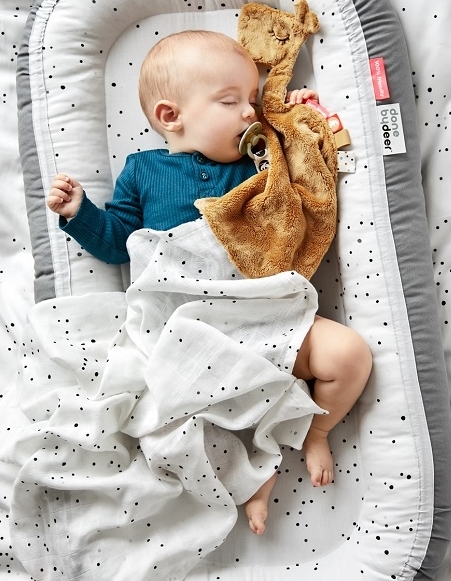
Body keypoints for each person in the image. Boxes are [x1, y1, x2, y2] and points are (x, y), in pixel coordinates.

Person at [47, 30, 372, 536]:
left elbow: (298, 185)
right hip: (185, 328)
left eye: (252, 100)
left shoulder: (257, 162)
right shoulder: (142, 170)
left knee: (349, 355)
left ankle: (317, 430)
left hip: (260, 313)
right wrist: (78, 212)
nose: (248, 112)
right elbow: (118, 243)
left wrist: (296, 124)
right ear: (170, 116)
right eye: (230, 101)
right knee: (173, 428)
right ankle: (251, 480)